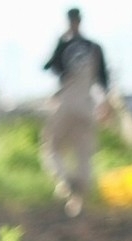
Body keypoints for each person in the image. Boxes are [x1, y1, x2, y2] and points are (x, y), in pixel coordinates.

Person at [41, 7, 109, 216]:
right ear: (81, 21)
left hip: (66, 101)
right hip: (87, 104)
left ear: (69, 21)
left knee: (51, 147)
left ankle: (66, 180)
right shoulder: (94, 47)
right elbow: (104, 81)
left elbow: (48, 66)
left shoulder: (65, 44)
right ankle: (78, 203)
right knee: (83, 154)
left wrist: (60, 44)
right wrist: (105, 106)